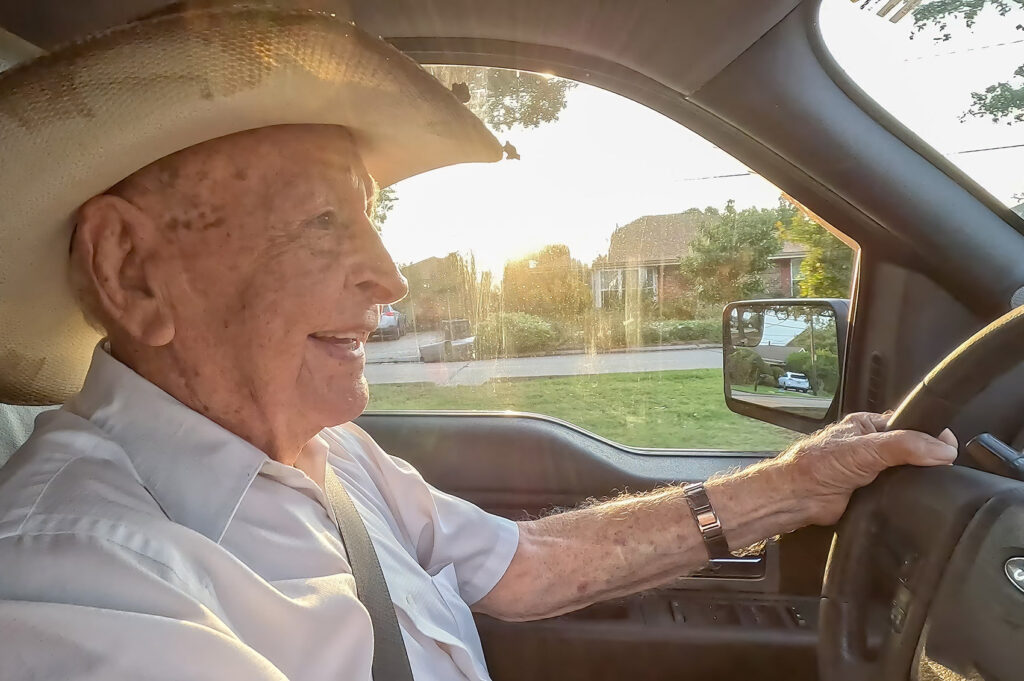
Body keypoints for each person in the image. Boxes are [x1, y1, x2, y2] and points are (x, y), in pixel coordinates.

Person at [0, 6, 957, 681]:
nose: (390, 274)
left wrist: (796, 483)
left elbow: (524, 564)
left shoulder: (327, 453)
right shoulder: (74, 582)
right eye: (325, 221)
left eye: (370, 216)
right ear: (132, 271)